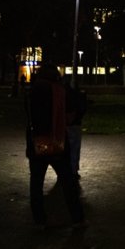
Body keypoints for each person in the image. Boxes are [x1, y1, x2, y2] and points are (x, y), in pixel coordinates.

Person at [25, 64, 86, 229]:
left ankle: (39, 220)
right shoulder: (59, 90)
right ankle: (77, 218)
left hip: (36, 141)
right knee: (68, 181)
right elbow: (72, 111)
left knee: (36, 183)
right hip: (56, 141)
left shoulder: (32, 90)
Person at [65, 79, 87, 179]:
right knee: (74, 148)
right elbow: (82, 108)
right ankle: (73, 170)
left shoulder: (63, 93)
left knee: (67, 149)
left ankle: (67, 171)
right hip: (75, 124)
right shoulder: (77, 95)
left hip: (66, 124)